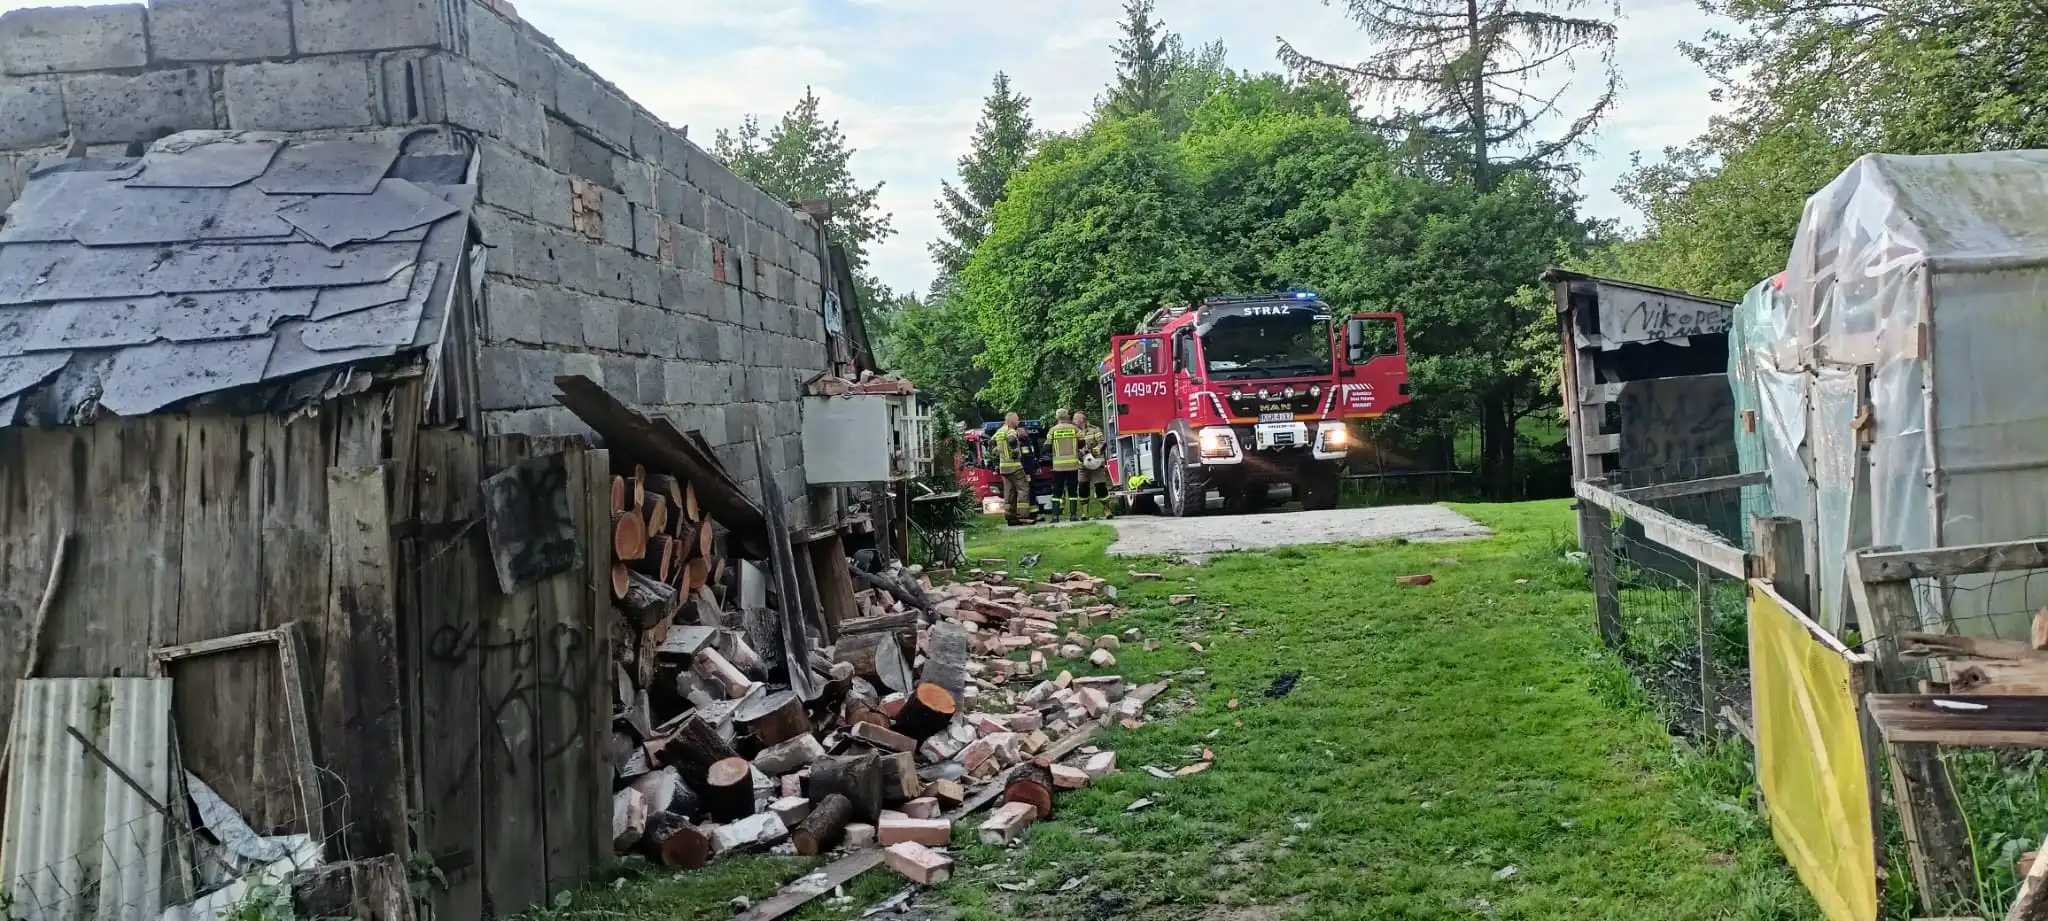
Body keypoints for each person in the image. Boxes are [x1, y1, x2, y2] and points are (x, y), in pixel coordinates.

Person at [993, 412, 1036, 525]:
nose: (1018, 422)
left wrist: (998, 454)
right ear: (1011, 421)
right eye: (1017, 420)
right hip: (1014, 466)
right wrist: (1015, 451)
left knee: (1009, 491)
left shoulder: (1000, 431)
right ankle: (1023, 515)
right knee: (1023, 489)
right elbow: (1012, 440)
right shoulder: (1010, 430)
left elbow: (990, 442)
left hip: (1004, 467)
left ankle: (1010, 516)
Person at [1074, 409, 1113, 519]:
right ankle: (1085, 513)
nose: (1074, 420)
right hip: (1082, 465)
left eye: (1075, 418)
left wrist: (1095, 451)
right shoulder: (1074, 431)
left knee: (1100, 487)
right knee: (1082, 488)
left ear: (1082, 419)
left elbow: (1102, 443)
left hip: (1096, 463)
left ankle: (1107, 510)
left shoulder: (1095, 430)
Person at [1046, 408, 1081, 521]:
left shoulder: (1053, 430)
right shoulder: (1074, 429)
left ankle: (1055, 516)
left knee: (1057, 492)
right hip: (1073, 465)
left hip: (1058, 466)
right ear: (1067, 417)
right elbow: (1082, 443)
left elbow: (1046, 447)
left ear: (1057, 417)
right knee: (1073, 491)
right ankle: (1073, 515)